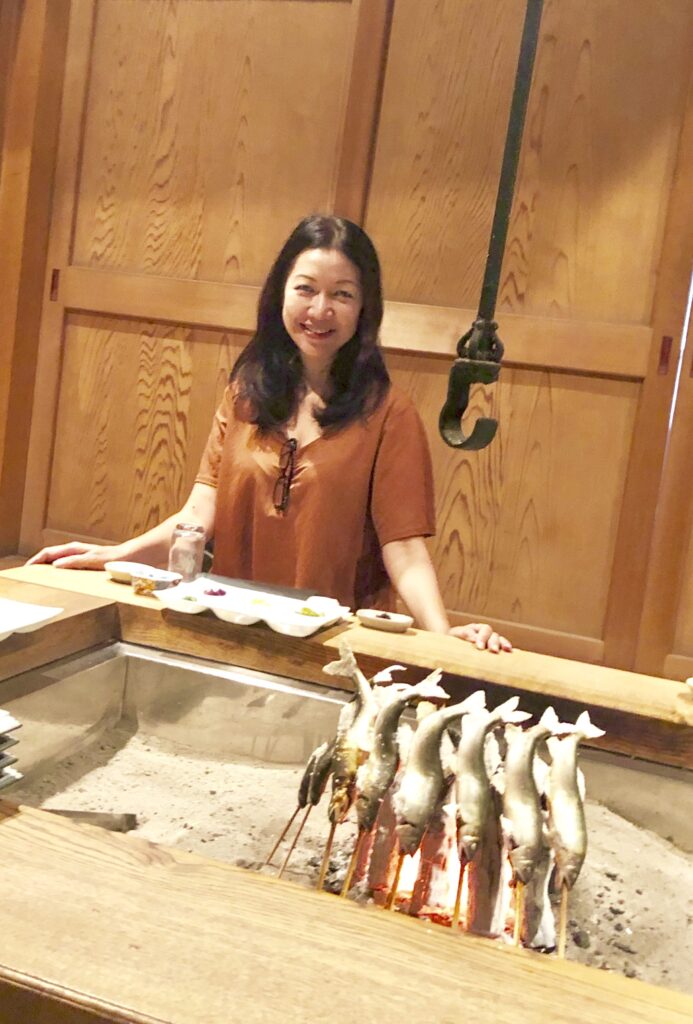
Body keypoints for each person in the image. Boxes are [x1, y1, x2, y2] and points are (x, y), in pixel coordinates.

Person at [28, 215, 511, 653]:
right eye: (306, 289)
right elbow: (199, 514)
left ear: (365, 307)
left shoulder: (389, 414)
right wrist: (115, 555)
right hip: (229, 628)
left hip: (334, 646)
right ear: (281, 292)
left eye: (342, 294)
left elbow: (403, 547)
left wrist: (442, 634)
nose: (320, 309)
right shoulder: (245, 394)